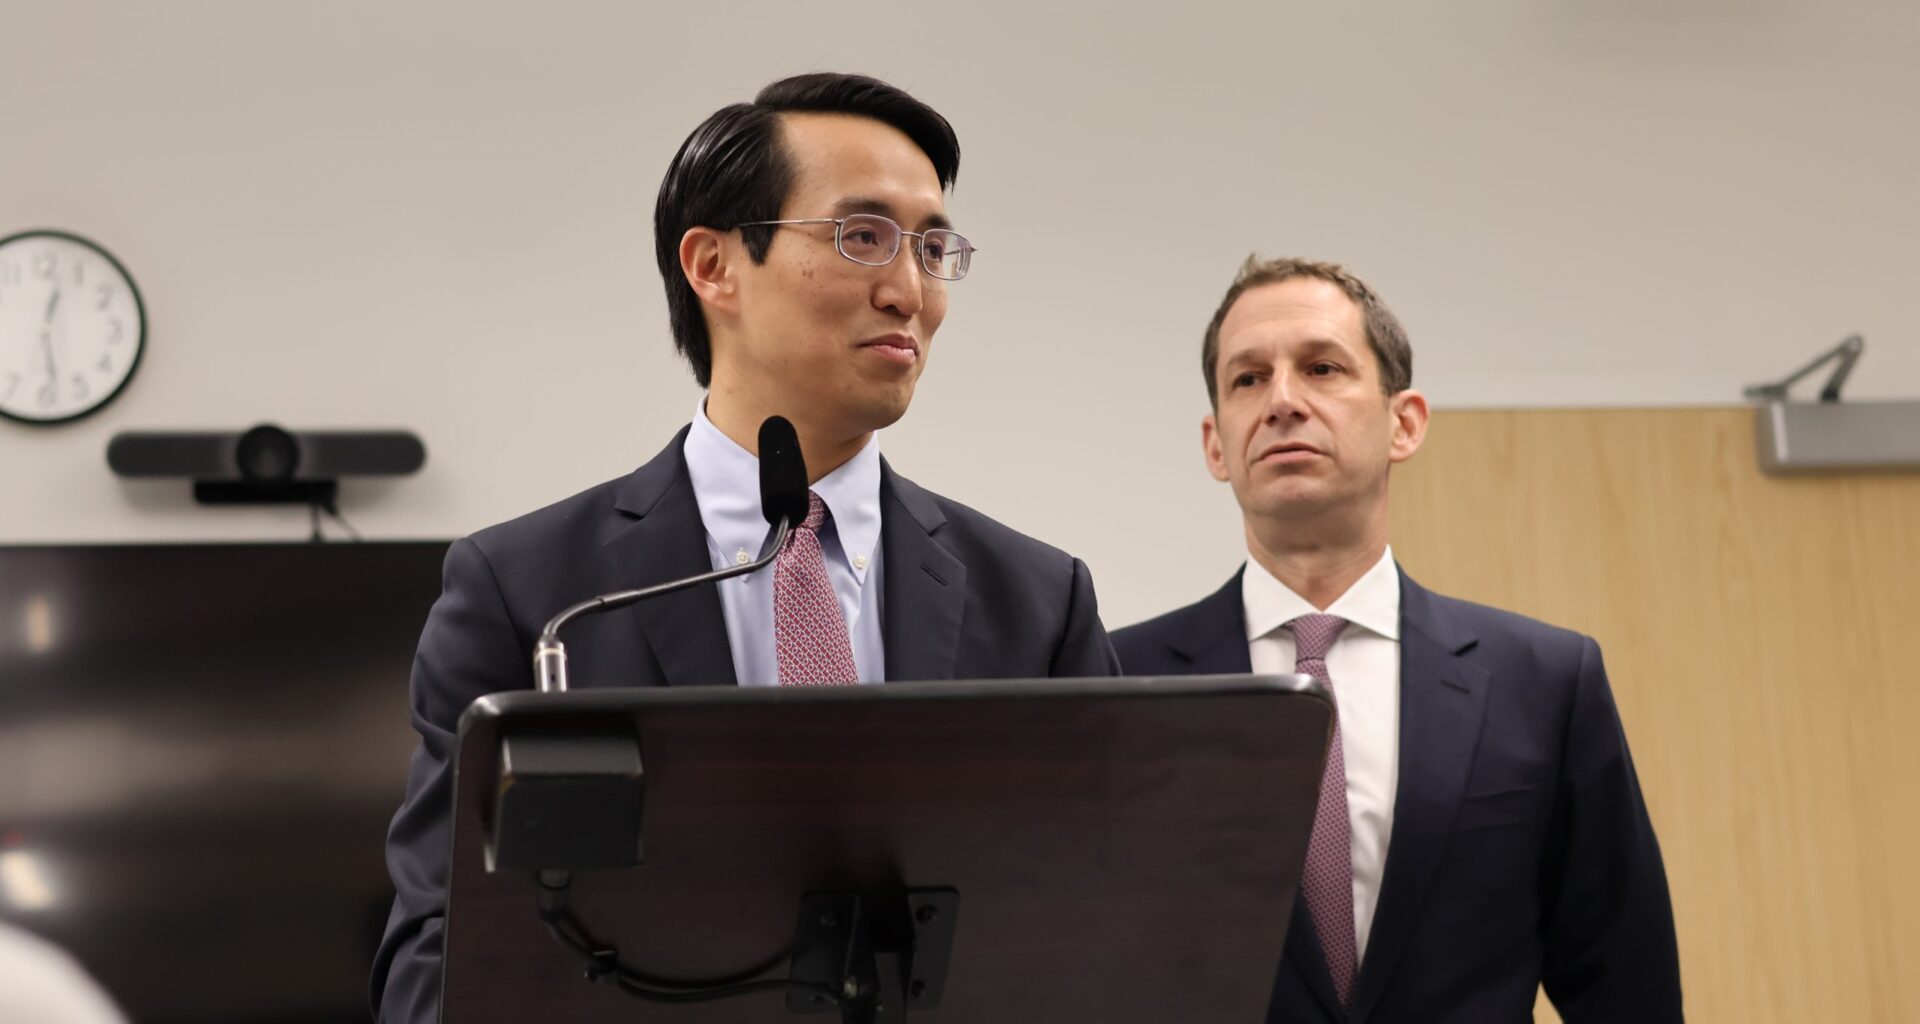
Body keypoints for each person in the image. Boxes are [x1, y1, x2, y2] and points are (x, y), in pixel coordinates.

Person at [371, 73, 1120, 1023]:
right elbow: (437, 962)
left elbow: (1106, 929)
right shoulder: (531, 596)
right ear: (714, 266)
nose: (908, 290)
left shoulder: (1037, 600)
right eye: (863, 237)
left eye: (933, 247)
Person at [1111, 256, 1681, 1023]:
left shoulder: (1545, 681)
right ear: (1217, 444)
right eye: (1248, 379)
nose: (1282, 400)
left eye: (1321, 368)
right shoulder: (1120, 682)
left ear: (1404, 422)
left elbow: (1625, 988)